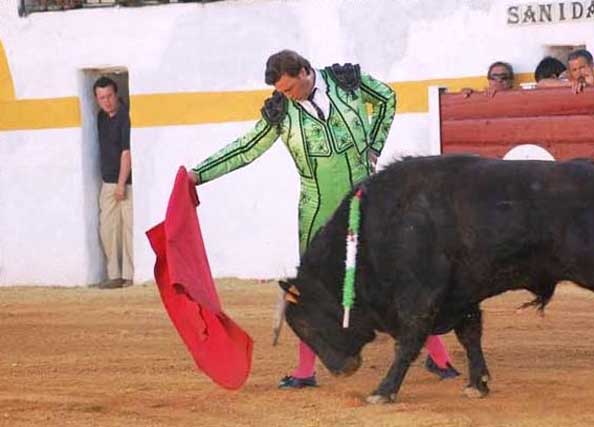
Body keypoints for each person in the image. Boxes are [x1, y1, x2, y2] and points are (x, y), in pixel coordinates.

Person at [188, 49, 459, 389]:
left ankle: (439, 357)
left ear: (305, 72)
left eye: (289, 89)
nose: (285, 96)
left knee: (395, 278)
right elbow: (246, 148)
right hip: (318, 211)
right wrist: (198, 175)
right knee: (312, 290)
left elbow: (388, 98)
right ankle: (305, 370)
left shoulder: (346, 83)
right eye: (281, 92)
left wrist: (374, 147)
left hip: (367, 202)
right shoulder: (281, 113)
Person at [94, 76, 134, 289]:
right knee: (108, 229)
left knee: (128, 228)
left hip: (124, 183)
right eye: (101, 97)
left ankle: (128, 275)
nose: (106, 101)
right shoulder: (101, 117)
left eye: (109, 96)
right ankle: (114, 274)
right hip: (107, 181)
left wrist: (121, 183)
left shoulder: (125, 116)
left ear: (116, 94)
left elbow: (126, 152)